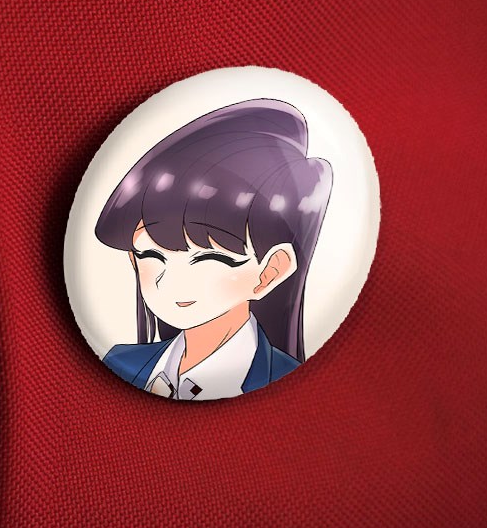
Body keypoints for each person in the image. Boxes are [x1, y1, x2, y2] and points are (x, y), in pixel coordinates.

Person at [95, 98, 331, 400]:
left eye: (209, 258)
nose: (171, 282)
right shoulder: (120, 362)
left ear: (270, 273)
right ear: (133, 259)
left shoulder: (288, 384)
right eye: (151, 255)